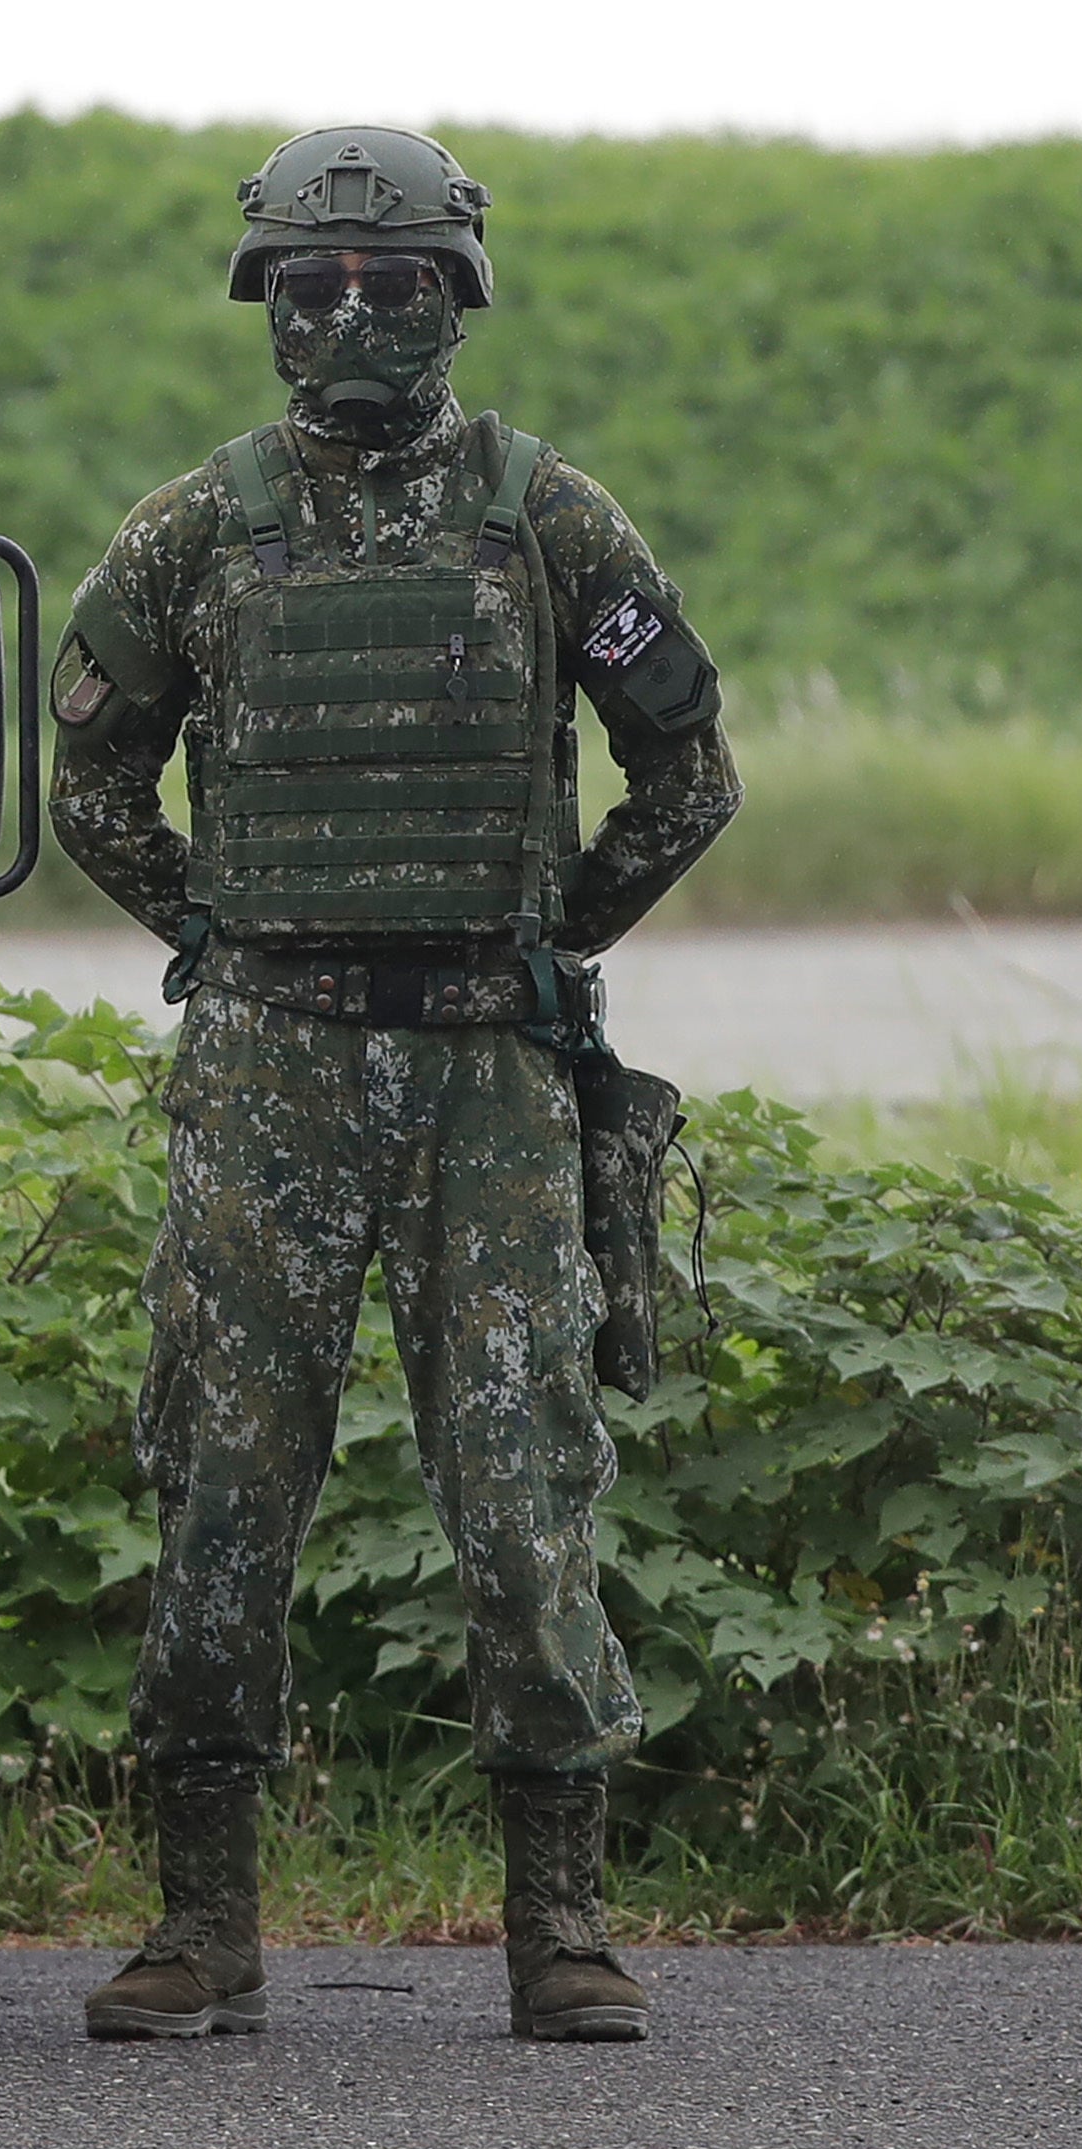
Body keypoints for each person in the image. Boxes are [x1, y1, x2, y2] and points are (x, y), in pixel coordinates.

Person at [47, 127, 737, 2047]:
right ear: (267, 308)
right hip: (271, 1068)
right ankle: (202, 1931)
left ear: (459, 299)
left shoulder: (547, 519)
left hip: (487, 1078)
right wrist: (236, 934)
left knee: (522, 1489)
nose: (356, 315)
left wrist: (548, 945)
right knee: (223, 1483)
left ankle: (563, 1930)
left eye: (398, 283)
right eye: (317, 287)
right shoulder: (195, 530)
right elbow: (90, 789)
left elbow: (688, 774)